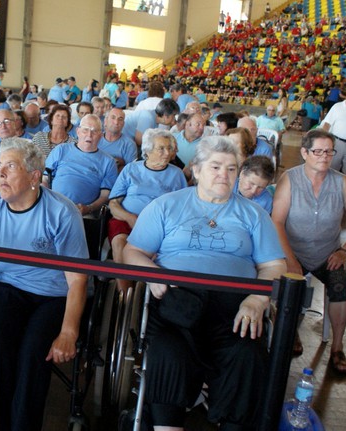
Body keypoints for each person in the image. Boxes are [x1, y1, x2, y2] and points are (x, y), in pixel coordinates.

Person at [123, 135, 286, 430]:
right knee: (167, 351)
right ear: (196, 170)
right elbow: (132, 251)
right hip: (177, 301)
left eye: (231, 168)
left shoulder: (254, 214)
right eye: (215, 167)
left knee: (247, 355)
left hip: (235, 308)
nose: (224, 174)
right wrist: (152, 273)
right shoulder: (166, 205)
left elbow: (274, 265)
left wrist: (257, 299)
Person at [0, 137, 88, 431]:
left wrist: (69, 332)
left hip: (54, 295)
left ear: (33, 176)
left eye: (10, 167)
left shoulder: (62, 213)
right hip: (9, 288)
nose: (0, 174)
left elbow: (78, 280)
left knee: (32, 357)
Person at [272, 129, 346, 372]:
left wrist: (344, 251)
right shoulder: (290, 179)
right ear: (305, 153)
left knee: (340, 287)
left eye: (329, 152)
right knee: (287, 285)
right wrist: (290, 258)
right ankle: (291, 331)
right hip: (294, 250)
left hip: (328, 253)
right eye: (318, 151)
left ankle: (337, 346)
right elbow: (277, 222)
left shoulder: (341, 182)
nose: (324, 157)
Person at [108, 129, 186, 292]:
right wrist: (130, 218)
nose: (167, 153)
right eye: (161, 148)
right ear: (148, 151)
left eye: (169, 148)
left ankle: (146, 291)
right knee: (120, 242)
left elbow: (183, 209)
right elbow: (113, 204)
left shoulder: (176, 174)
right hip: (127, 220)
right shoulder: (131, 169)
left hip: (160, 226)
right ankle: (125, 294)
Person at [44, 114, 117, 217]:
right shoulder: (61, 149)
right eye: (85, 130)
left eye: (94, 131)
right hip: (53, 206)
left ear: (101, 135)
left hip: (83, 213)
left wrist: (89, 208)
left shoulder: (108, 162)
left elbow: (105, 196)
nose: (89, 135)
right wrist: (47, 200)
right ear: (78, 131)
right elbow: (44, 179)